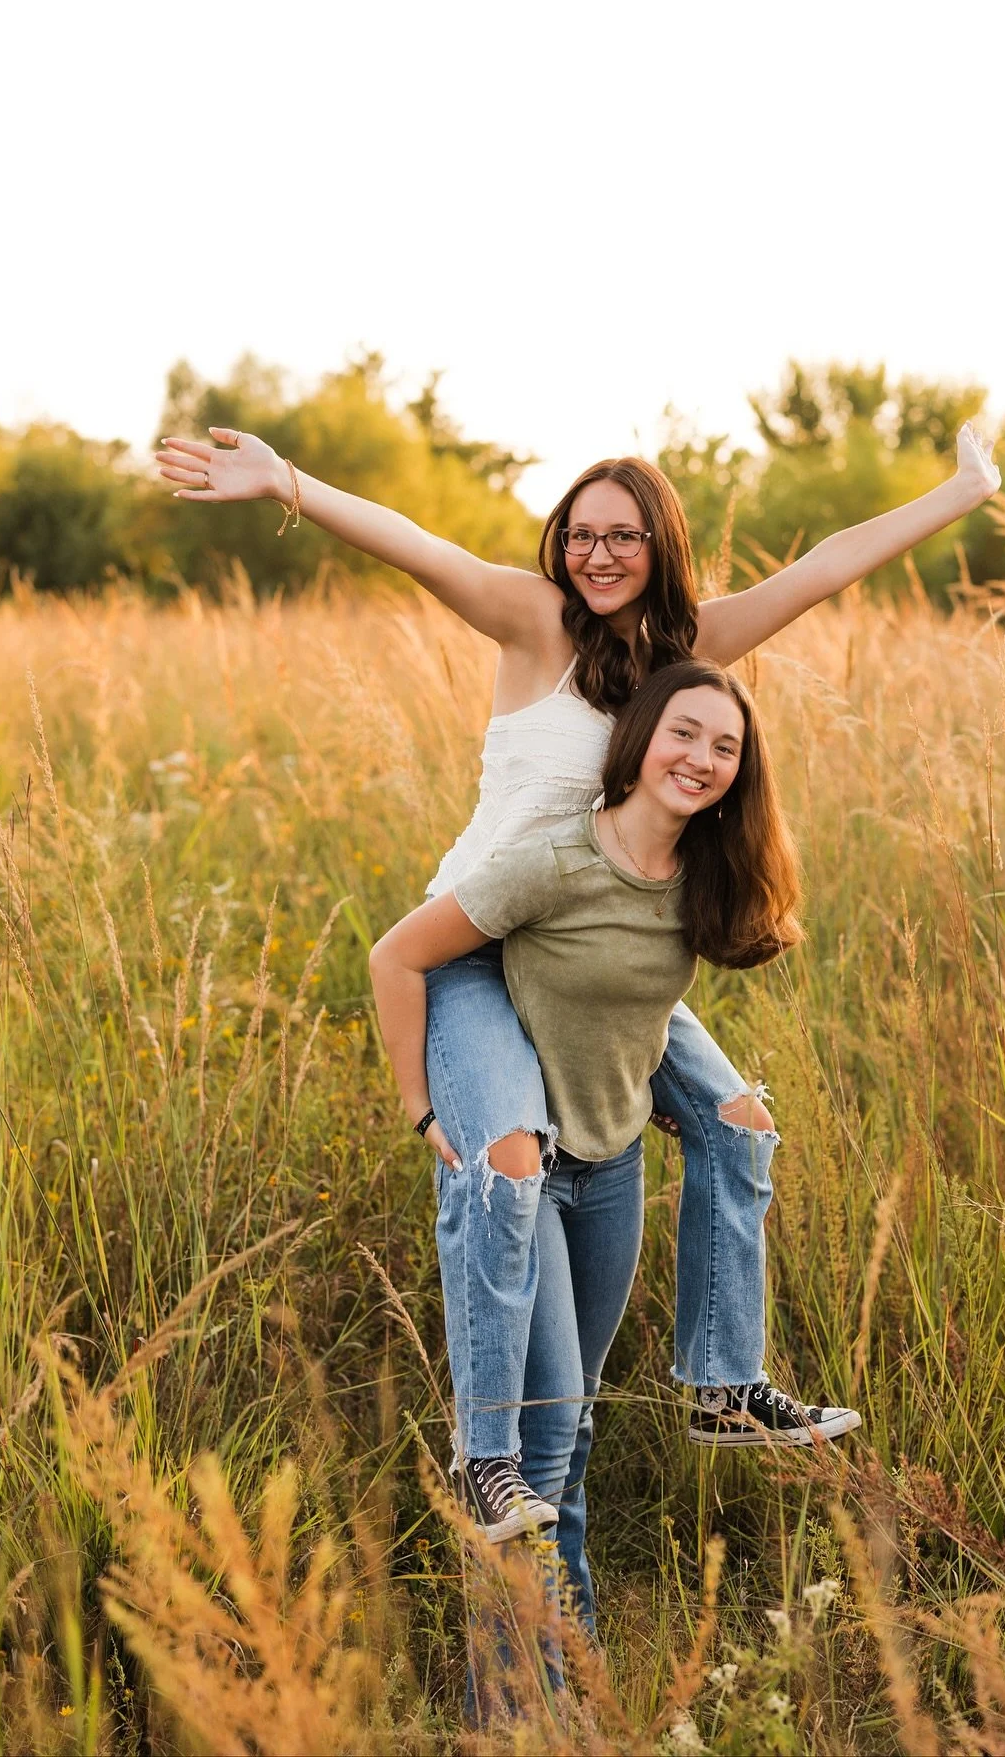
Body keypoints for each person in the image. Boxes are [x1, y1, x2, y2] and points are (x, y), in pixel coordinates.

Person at [155, 418, 1002, 1535]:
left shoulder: (689, 650)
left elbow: (825, 566)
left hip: (598, 947)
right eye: (583, 534)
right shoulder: (534, 620)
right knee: (505, 1158)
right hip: (484, 946)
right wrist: (293, 485)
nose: (600, 556)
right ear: (562, 543)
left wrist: (966, 489)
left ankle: (719, 1383)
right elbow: (422, 551)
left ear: (662, 547)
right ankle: (487, 1456)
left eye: (626, 537)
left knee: (741, 1121)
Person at [368, 661, 854, 1637]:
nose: (702, 758)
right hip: (530, 1174)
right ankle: (520, 1712)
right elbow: (398, 954)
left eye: (726, 746)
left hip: (612, 1167)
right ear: (637, 743)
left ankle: (574, 1670)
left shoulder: (703, 876)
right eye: (685, 733)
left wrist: (691, 1097)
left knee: (575, 1436)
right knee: (539, 1452)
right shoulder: (552, 860)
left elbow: (648, 1007)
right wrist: (425, 1109)